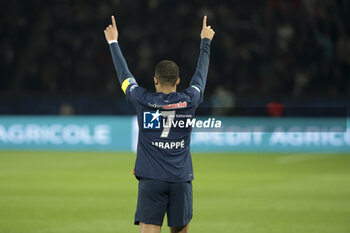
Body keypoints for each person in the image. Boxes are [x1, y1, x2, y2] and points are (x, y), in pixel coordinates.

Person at [104, 15, 214, 233]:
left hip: (151, 179)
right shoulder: (190, 99)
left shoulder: (142, 99)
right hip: (180, 179)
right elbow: (200, 77)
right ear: (178, 81)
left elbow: (124, 76)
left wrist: (113, 43)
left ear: (155, 79)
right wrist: (205, 42)